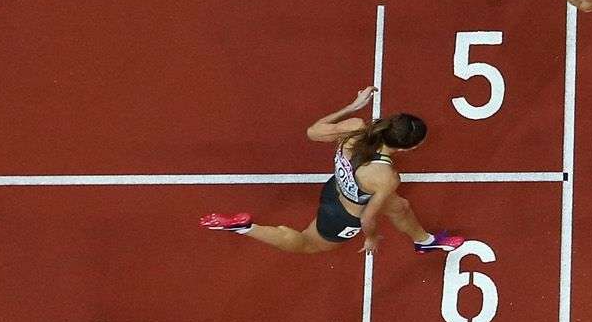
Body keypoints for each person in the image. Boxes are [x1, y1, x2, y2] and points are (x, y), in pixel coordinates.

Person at [200, 87, 469, 255]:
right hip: (343, 217)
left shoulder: (355, 127)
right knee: (307, 244)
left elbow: (313, 132)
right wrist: (372, 238)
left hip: (337, 188)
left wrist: (352, 107)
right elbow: (367, 219)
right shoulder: (386, 177)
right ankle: (246, 228)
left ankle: (424, 241)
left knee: (400, 207)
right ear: (409, 148)